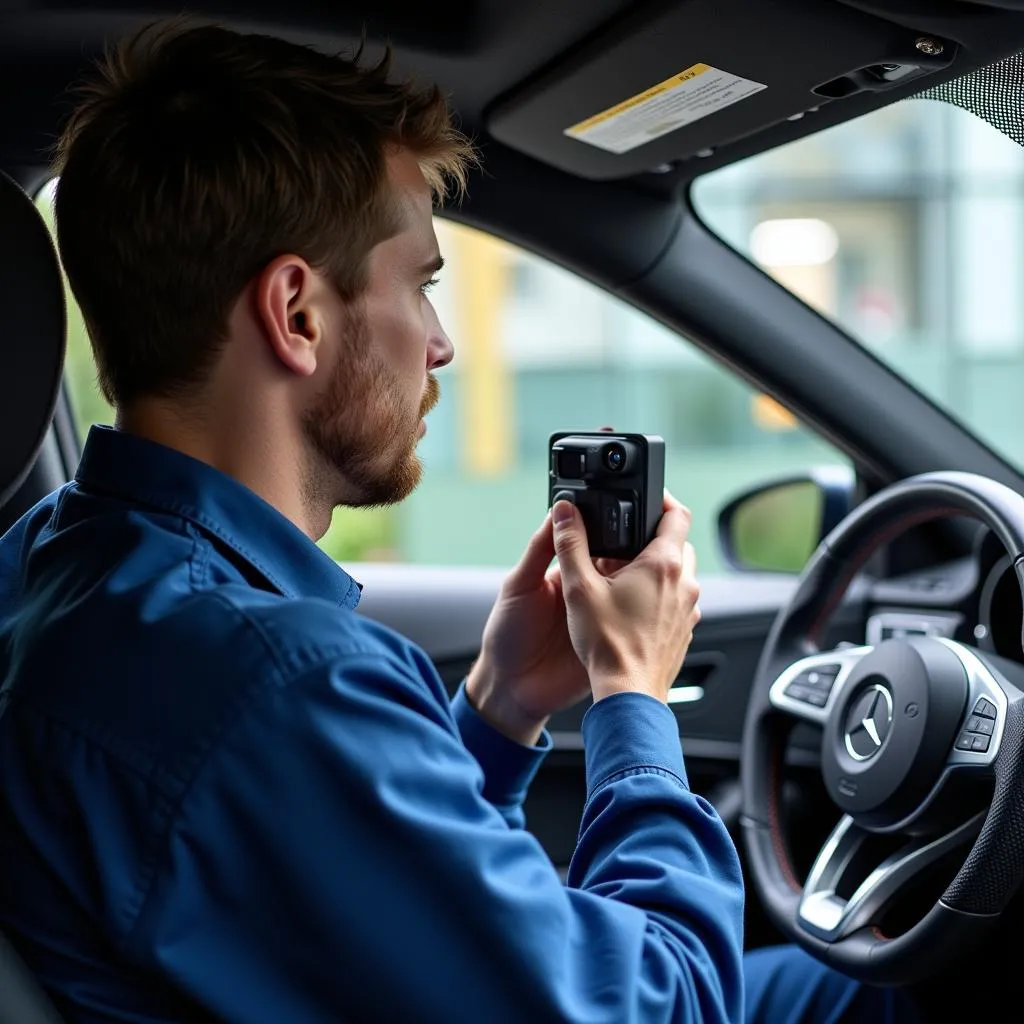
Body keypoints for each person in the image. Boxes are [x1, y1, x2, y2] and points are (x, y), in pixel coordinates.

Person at [0, 18, 918, 1024]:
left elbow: (367, 898)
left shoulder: (50, 569)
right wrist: (632, 695)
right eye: (421, 285)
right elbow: (662, 1009)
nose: (439, 345)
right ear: (297, 313)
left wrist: (501, 702)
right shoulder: (273, 678)